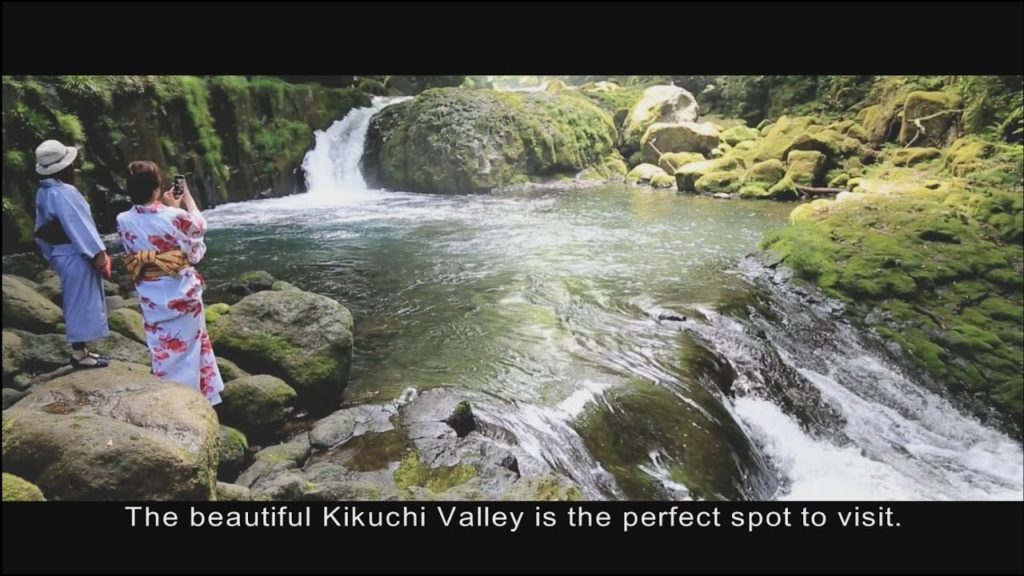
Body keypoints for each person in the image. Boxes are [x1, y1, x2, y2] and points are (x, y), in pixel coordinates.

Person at [115, 161, 224, 405]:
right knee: (192, 346)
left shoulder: (122, 219)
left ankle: (169, 398)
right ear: (158, 187)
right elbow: (196, 235)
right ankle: (199, 399)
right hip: (182, 293)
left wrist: (170, 208)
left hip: (150, 295)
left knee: (162, 347)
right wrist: (186, 198)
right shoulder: (175, 216)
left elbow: (148, 235)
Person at [33, 139, 111, 368]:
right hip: (75, 253)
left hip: (60, 253)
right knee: (80, 302)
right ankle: (79, 355)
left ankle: (82, 350)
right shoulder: (64, 192)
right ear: (65, 167)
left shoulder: (43, 191)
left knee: (77, 299)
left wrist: (50, 254)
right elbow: (80, 226)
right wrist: (99, 255)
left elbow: (41, 230)